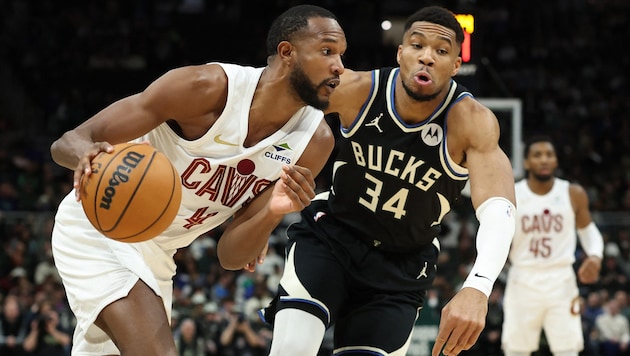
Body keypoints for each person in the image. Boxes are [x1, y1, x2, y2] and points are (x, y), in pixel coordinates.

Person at [49, 5, 346, 355]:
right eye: (327, 51)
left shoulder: (314, 141)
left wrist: (271, 213)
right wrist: (86, 157)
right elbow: (67, 141)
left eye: (341, 55)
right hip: (100, 230)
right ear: (287, 53)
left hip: (161, 254)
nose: (339, 67)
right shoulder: (203, 88)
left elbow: (230, 256)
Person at [263, 5, 516, 356]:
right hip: (332, 239)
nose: (427, 57)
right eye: (417, 45)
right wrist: (256, 212)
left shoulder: (471, 121)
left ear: (456, 65)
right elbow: (271, 105)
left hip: (401, 269)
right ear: (400, 53)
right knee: (292, 348)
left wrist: (478, 286)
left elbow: (499, 210)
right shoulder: (356, 89)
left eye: (441, 51)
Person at [501, 135, 604, 356]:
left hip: (561, 280)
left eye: (549, 155)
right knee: (516, 350)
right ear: (526, 162)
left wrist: (595, 255)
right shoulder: (512, 194)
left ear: (556, 161)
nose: (544, 160)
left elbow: (588, 231)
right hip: (522, 278)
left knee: (567, 350)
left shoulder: (572, 193)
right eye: (537, 155)